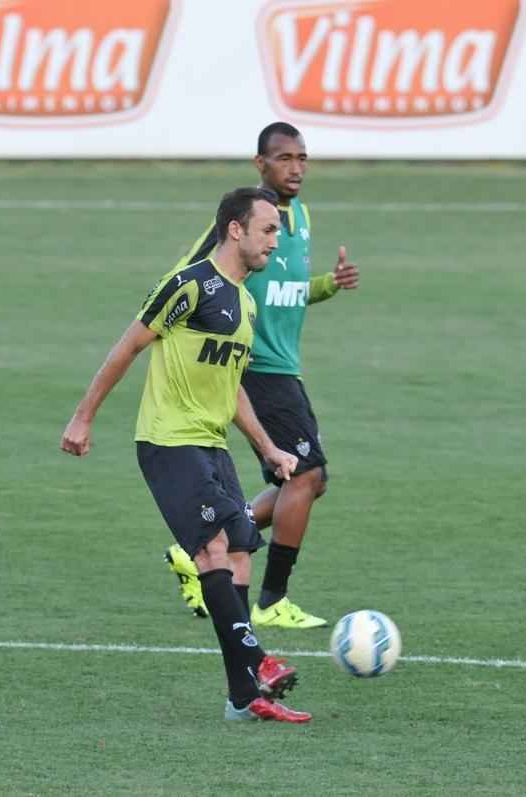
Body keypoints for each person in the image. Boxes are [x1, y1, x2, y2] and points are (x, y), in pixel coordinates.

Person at [62, 188, 312, 723]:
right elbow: (128, 345)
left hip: (212, 445)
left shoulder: (245, 303)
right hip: (169, 442)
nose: (276, 239)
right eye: (268, 229)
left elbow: (232, 384)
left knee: (241, 553)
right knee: (213, 549)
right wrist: (84, 417)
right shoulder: (190, 285)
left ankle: (242, 697)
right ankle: (256, 661)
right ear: (235, 229)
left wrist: (267, 447)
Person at [164, 122, 360, 629]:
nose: (295, 167)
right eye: (284, 158)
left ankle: (203, 546)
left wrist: (328, 286)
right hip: (254, 367)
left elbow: (289, 290)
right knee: (306, 474)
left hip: (284, 367)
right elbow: (186, 274)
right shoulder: (245, 219)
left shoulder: (298, 217)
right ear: (261, 164)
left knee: (307, 482)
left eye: (302, 158)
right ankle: (272, 601)